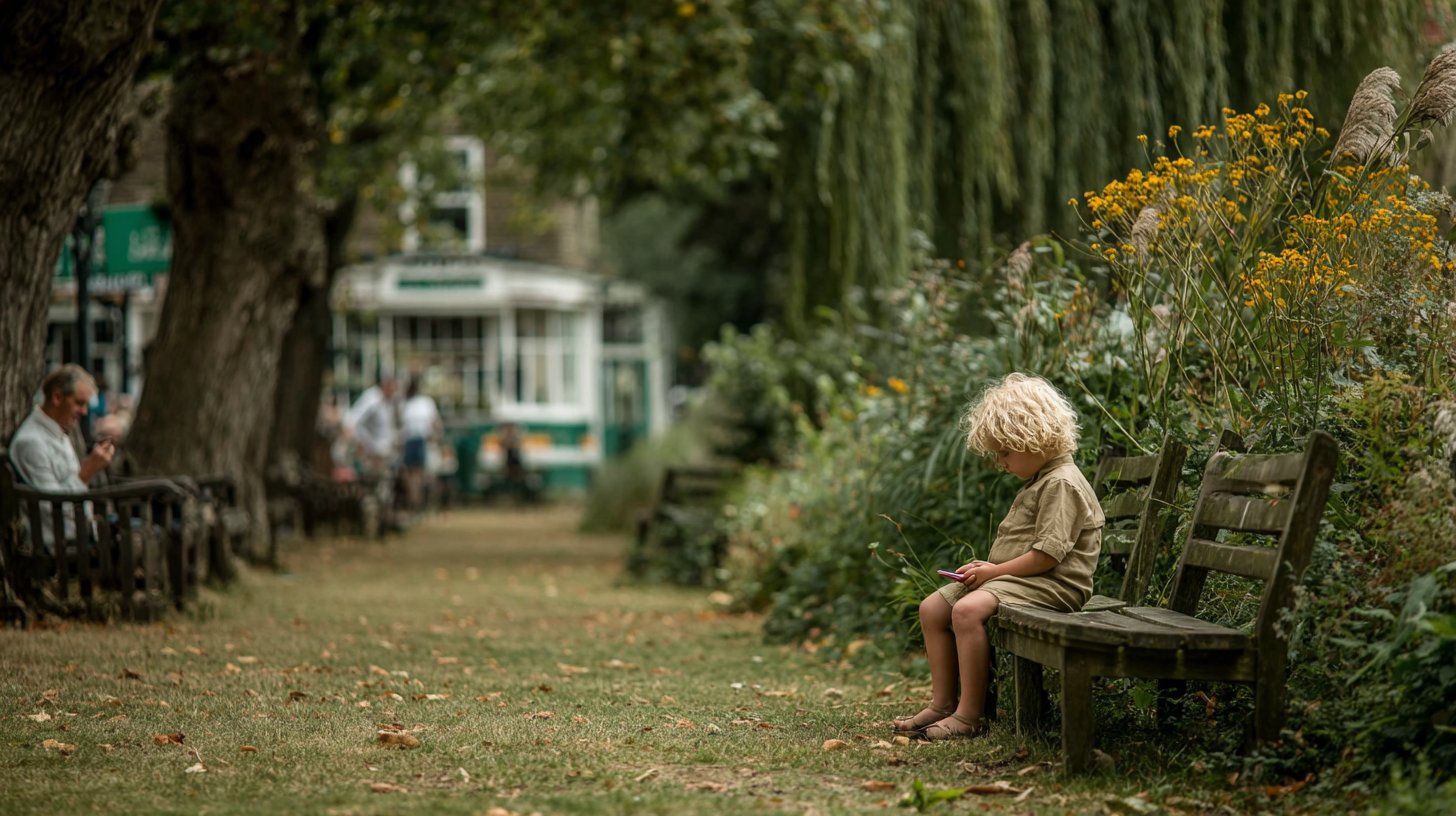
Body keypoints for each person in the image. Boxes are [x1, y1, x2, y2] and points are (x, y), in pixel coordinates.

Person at [892, 373, 1104, 740]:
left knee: (967, 610)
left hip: (1054, 586)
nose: (1000, 462)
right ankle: (943, 703)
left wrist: (992, 573)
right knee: (932, 609)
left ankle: (969, 714)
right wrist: (988, 571)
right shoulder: (1041, 480)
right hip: (1020, 580)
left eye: (1005, 451)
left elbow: (1047, 557)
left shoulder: (1062, 484)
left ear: (1034, 440)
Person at [8, 365, 115, 549]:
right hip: (62, 545)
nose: (84, 412)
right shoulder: (31, 442)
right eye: (79, 403)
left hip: (78, 534)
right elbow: (54, 506)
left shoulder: (57, 433)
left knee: (147, 530)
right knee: (140, 535)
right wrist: (87, 471)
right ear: (57, 397)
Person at [399, 378, 442, 513]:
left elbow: (435, 422)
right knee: (409, 473)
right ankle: (414, 500)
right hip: (408, 440)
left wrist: (436, 436)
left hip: (421, 440)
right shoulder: (403, 403)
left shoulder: (425, 402)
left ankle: (419, 501)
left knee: (419, 473)